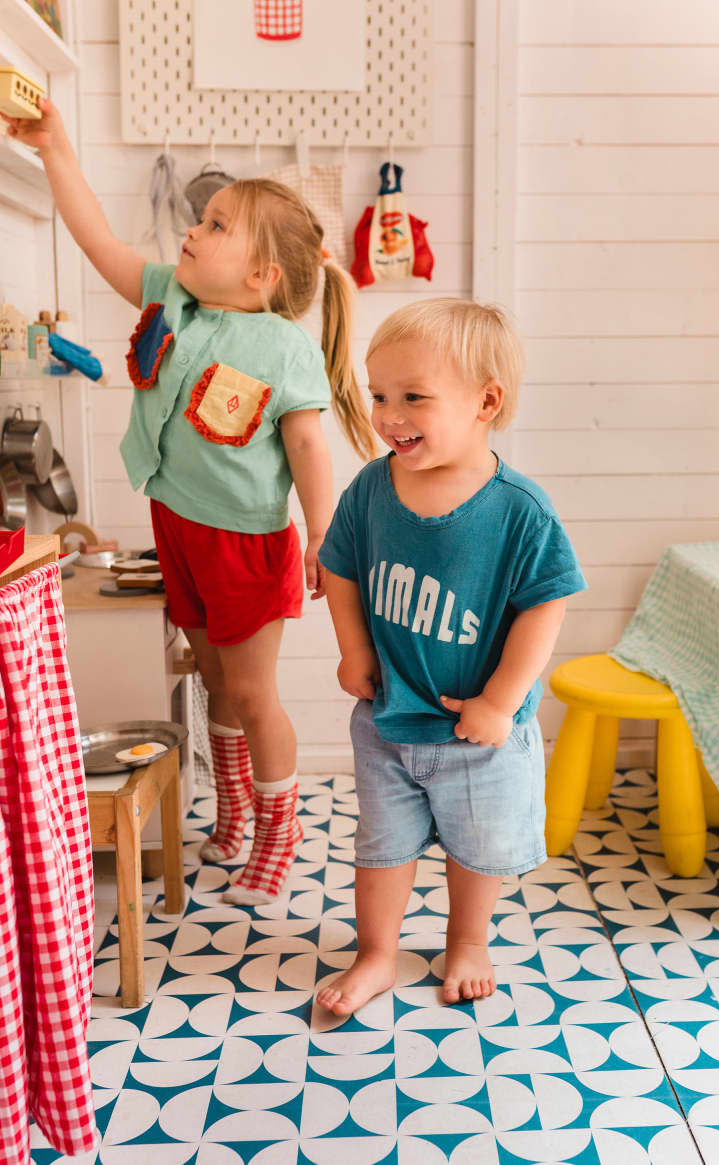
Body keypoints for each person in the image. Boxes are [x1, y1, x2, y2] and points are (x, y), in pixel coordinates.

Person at [3, 99, 376, 906]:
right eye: (201, 220)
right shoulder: (170, 293)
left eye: (215, 226)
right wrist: (58, 148)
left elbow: (310, 445)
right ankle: (236, 807)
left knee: (251, 690)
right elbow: (97, 236)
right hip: (176, 522)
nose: (194, 231)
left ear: (260, 275)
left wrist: (322, 533)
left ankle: (282, 829)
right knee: (210, 676)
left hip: (246, 541)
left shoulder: (281, 344)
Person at [315, 299, 587, 1015]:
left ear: (485, 402)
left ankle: (467, 939)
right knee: (382, 846)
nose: (388, 414)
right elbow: (337, 562)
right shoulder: (374, 487)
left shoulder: (519, 509)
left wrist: (501, 700)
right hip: (387, 719)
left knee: (474, 848)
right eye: (378, 395)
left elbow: (546, 603)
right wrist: (352, 647)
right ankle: (377, 950)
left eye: (413, 398)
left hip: (477, 730)